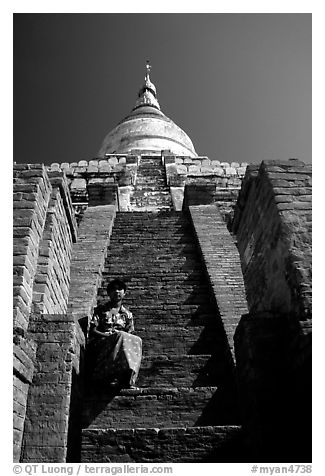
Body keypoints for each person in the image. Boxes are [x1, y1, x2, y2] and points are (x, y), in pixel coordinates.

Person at [88, 279, 142, 389]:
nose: (117, 292)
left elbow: (130, 334)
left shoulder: (127, 315)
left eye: (119, 289)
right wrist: (108, 336)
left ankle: (128, 376)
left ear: (124, 293)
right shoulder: (101, 310)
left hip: (121, 343)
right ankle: (111, 375)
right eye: (113, 290)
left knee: (137, 340)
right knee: (121, 336)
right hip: (102, 343)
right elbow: (93, 331)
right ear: (109, 293)